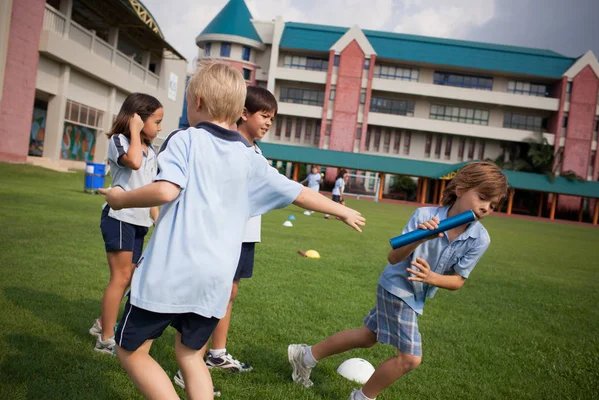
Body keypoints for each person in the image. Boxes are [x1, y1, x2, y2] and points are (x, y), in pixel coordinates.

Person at [98, 61, 366, 400]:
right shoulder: (250, 157)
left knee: (131, 350)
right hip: (215, 281)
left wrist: (121, 200)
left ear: (196, 102)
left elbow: (166, 190)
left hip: (170, 272)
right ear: (239, 109)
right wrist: (342, 210)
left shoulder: (186, 139)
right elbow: (299, 193)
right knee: (190, 354)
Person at [288, 161, 508, 400]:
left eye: (493, 205)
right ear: (461, 189)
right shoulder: (425, 215)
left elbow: (458, 281)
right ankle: (361, 398)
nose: (486, 208)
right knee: (410, 359)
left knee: (367, 337)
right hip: (396, 288)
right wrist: (421, 237)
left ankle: (305, 356)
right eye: (483, 197)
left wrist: (432, 278)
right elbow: (393, 257)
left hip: (416, 295)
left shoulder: (479, 239)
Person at [174, 87, 278, 386]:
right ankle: (189, 365)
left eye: (272, 118)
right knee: (210, 295)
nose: (268, 123)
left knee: (229, 293)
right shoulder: (230, 148)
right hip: (225, 237)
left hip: (245, 236)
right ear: (243, 113)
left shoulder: (255, 151)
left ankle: (215, 353)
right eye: (264, 115)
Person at [89, 93, 162, 355]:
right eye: (156, 121)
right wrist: (133, 131)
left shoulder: (150, 149)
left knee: (129, 277)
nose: (160, 127)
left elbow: (150, 187)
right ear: (139, 120)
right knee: (120, 277)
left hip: (139, 221)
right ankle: (106, 338)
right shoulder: (119, 141)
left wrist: (157, 220)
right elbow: (133, 162)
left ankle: (101, 323)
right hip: (119, 218)